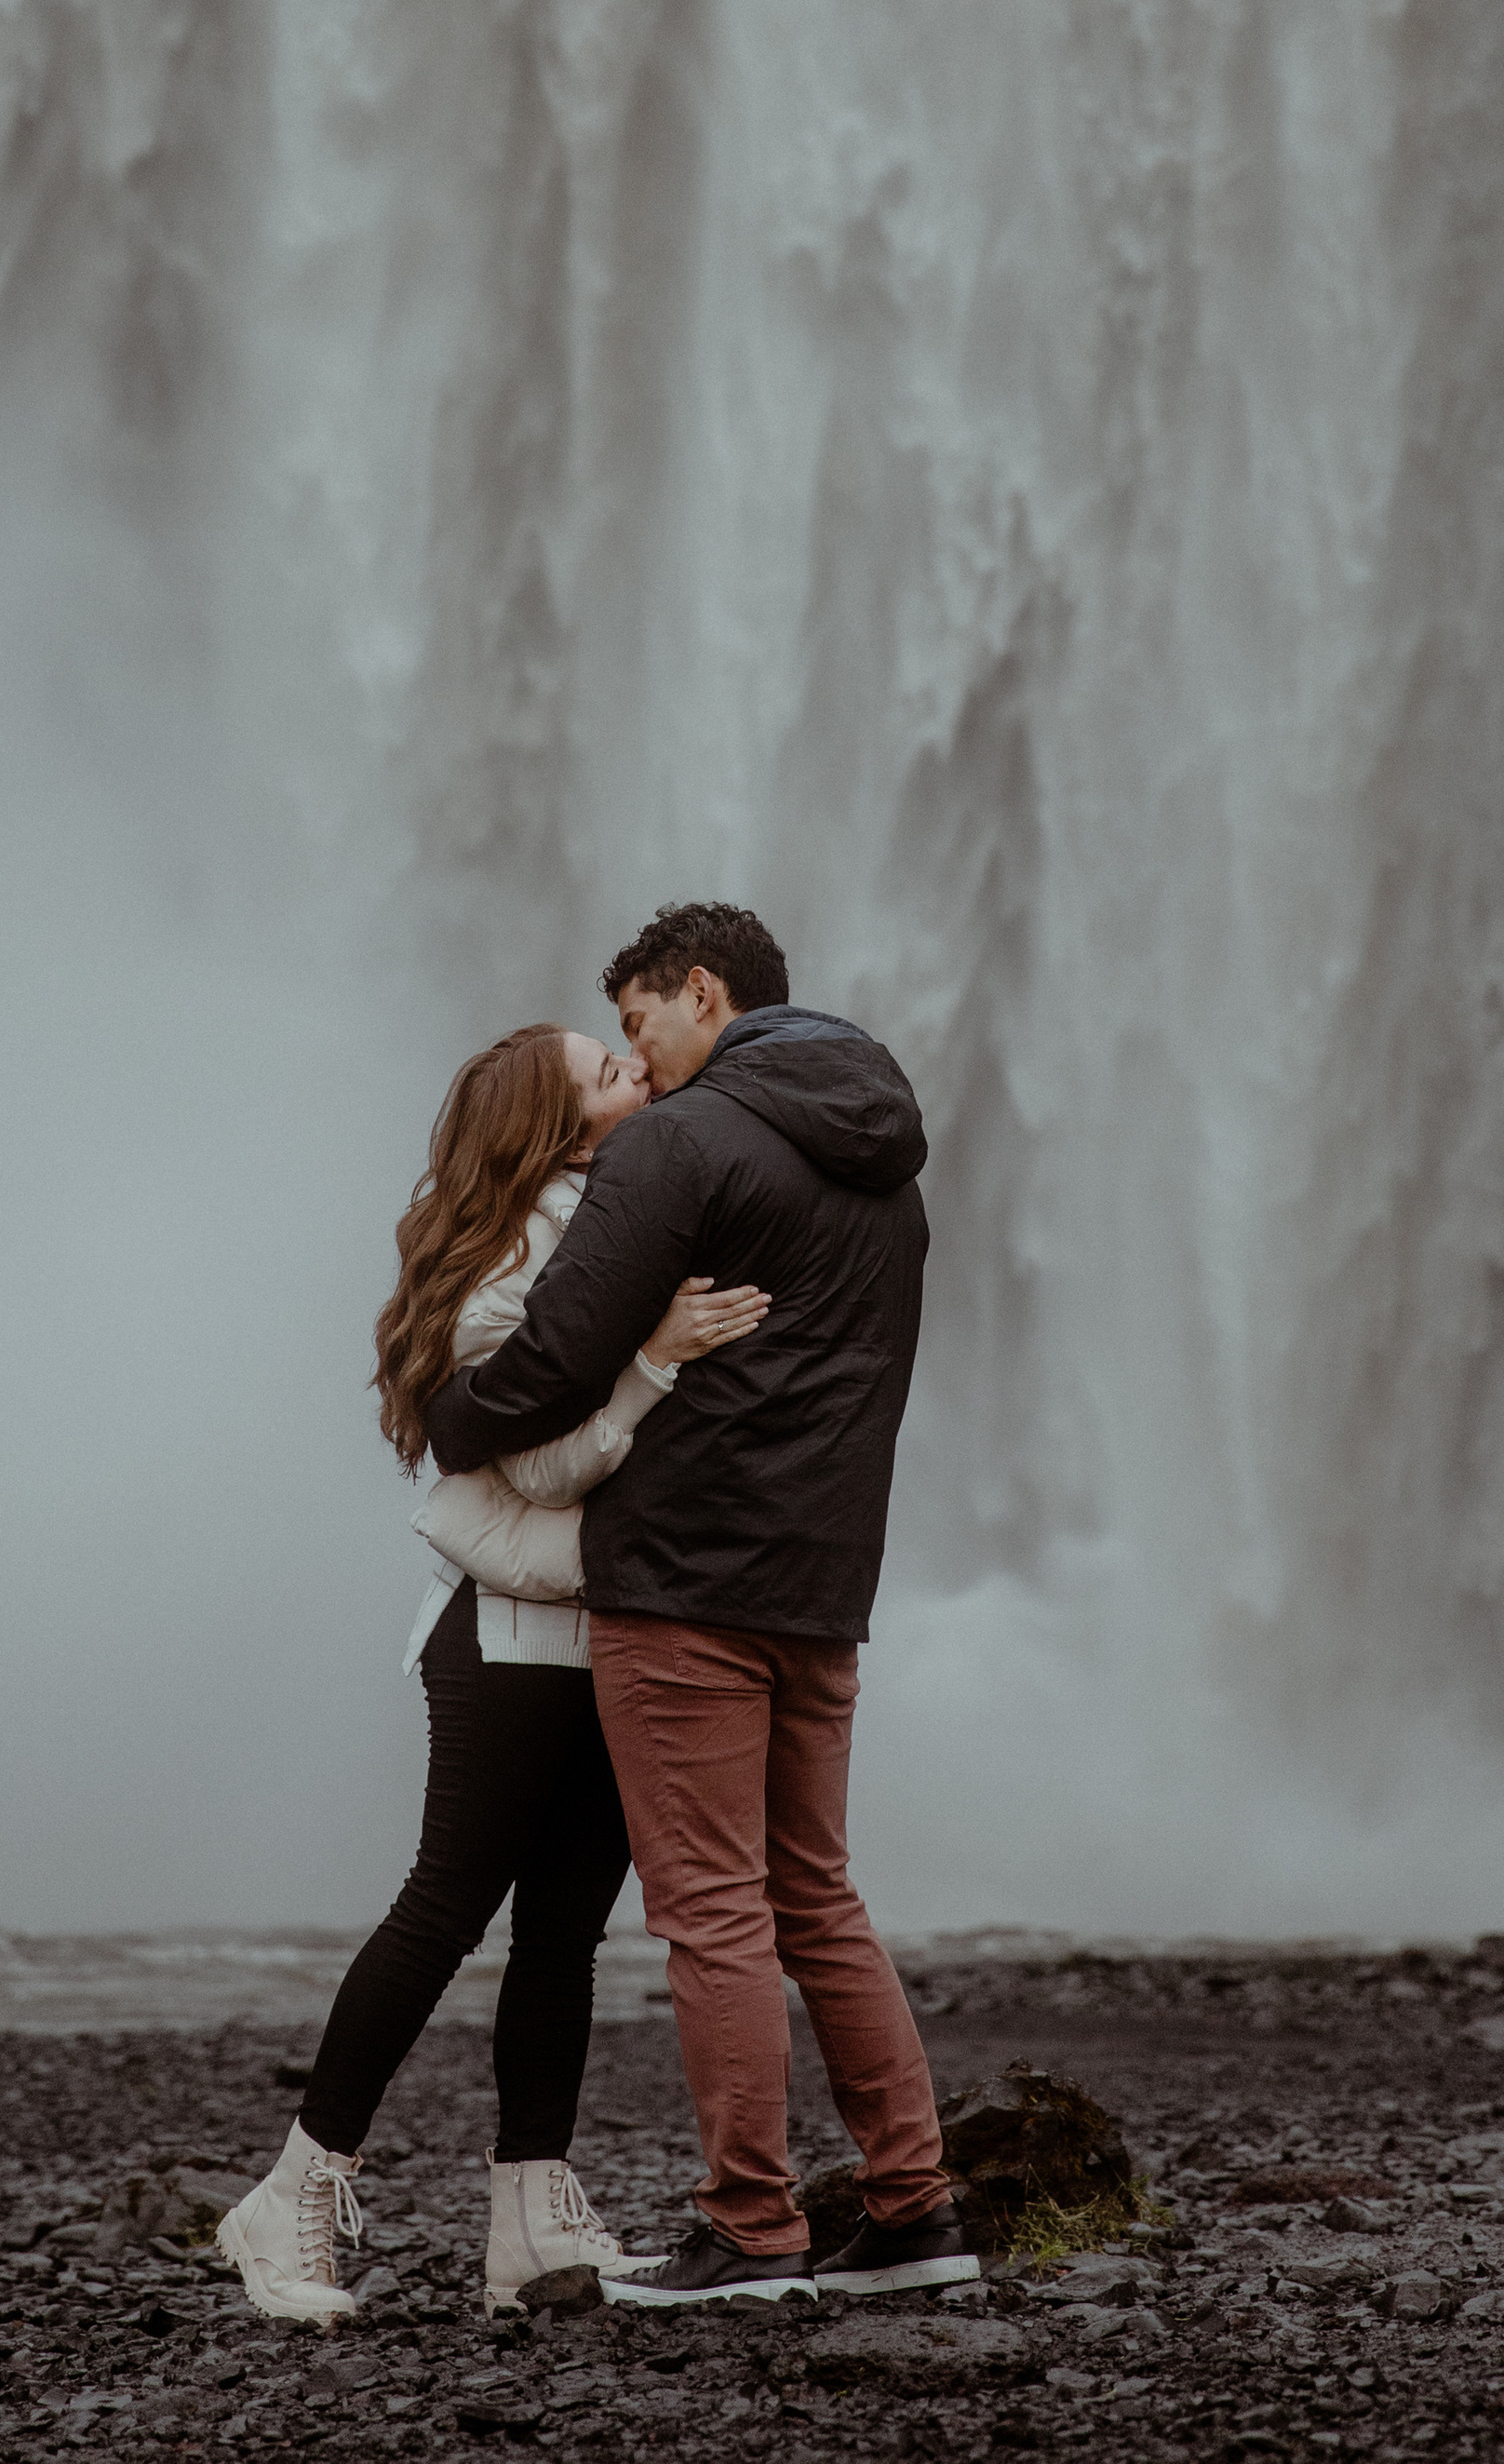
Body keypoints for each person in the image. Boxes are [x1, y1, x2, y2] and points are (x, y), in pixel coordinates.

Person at [424, 903, 973, 2307]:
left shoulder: (681, 1140)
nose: (636, 1056)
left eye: (637, 1022)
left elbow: (556, 1356)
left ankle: (751, 2225)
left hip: (685, 1584)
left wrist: (456, 1411)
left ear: (705, 992)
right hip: (824, 1579)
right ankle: (913, 2210)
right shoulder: (888, 1169)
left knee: (711, 1906)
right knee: (818, 1893)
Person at [214, 1023, 767, 2326]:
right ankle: (291, 2194)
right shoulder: (520, 1249)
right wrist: (653, 1364)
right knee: (445, 1909)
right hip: (507, 1636)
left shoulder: (614, 1220)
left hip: (608, 1631)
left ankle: (529, 2219)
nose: (638, 1073)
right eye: (607, 1071)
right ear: (556, 1127)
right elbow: (530, 1463)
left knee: (564, 1936)